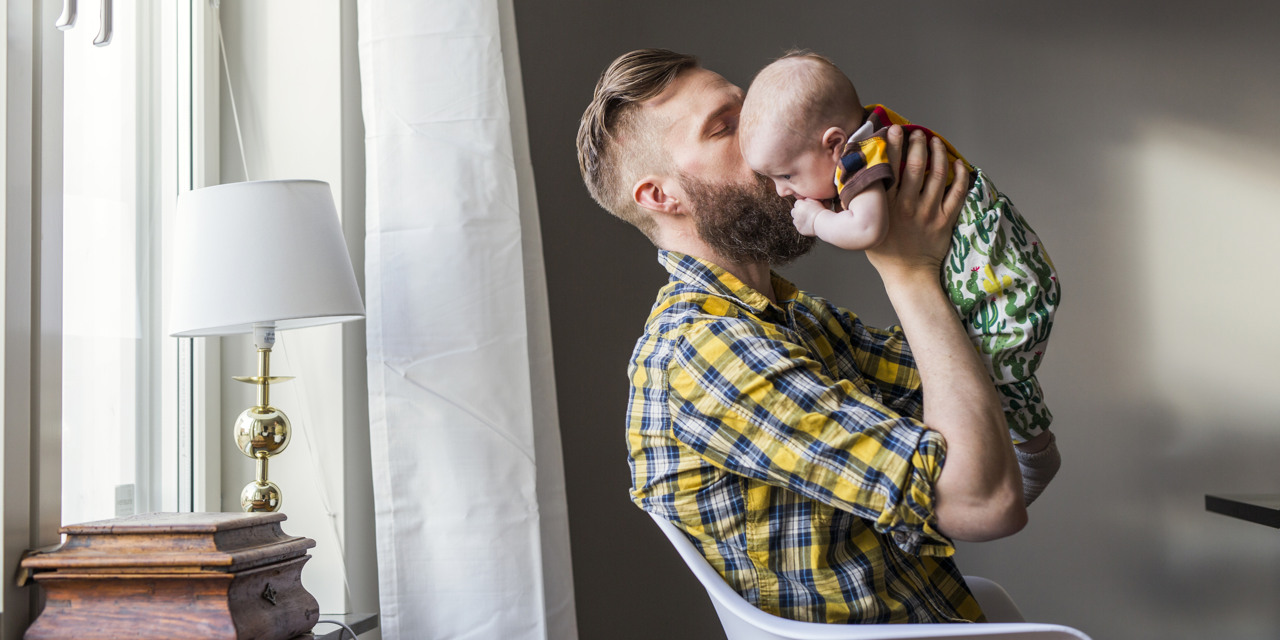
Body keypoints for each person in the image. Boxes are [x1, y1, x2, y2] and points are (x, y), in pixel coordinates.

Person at [577, 48, 1032, 624]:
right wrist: (906, 271)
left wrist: (960, 232)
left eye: (753, 108)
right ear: (662, 197)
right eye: (726, 128)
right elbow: (984, 503)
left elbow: (974, 382)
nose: (767, 132)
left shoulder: (792, 316)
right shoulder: (703, 350)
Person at [737, 52, 1061, 505]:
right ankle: (1021, 456)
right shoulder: (877, 128)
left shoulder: (858, 159)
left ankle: (1031, 453)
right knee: (978, 368)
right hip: (1006, 264)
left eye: (786, 174)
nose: (781, 190)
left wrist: (815, 220)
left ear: (833, 144)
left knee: (988, 373)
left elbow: (867, 229)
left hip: (1001, 282)